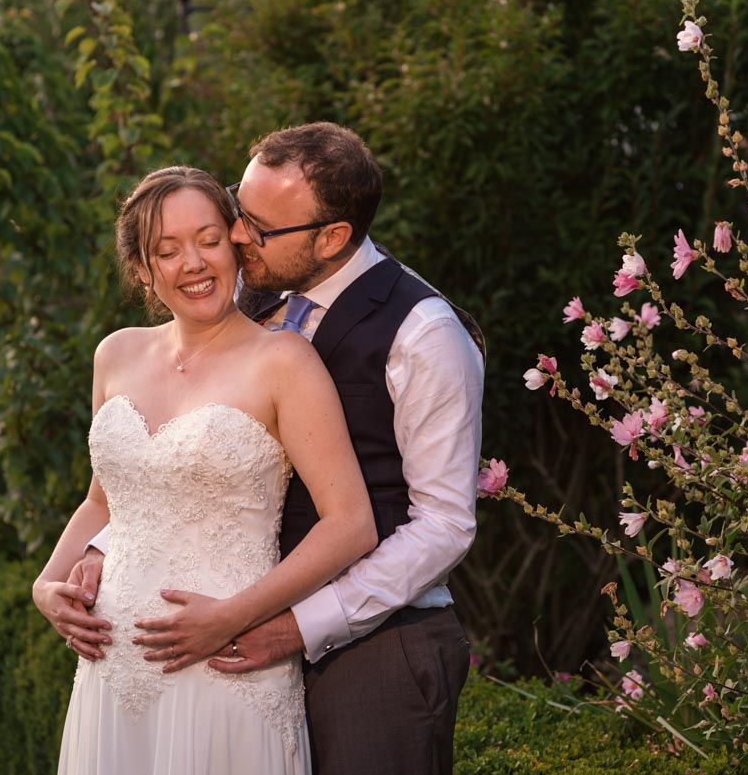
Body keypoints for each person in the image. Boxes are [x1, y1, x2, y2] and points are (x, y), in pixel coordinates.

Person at [63, 122, 485, 775]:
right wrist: (102, 548)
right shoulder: (251, 292)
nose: (234, 236)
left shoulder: (425, 334)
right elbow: (178, 455)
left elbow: (445, 525)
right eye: (239, 209)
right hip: (228, 640)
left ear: (333, 237)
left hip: (375, 645)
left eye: (255, 228)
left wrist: (299, 625)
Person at [31, 165, 378, 775]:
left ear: (236, 244)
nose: (193, 263)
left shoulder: (285, 361)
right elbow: (103, 502)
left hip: (226, 669)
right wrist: (47, 583)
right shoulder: (115, 354)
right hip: (112, 672)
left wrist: (234, 616)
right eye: (168, 250)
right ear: (142, 268)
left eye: (209, 240)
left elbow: (351, 524)